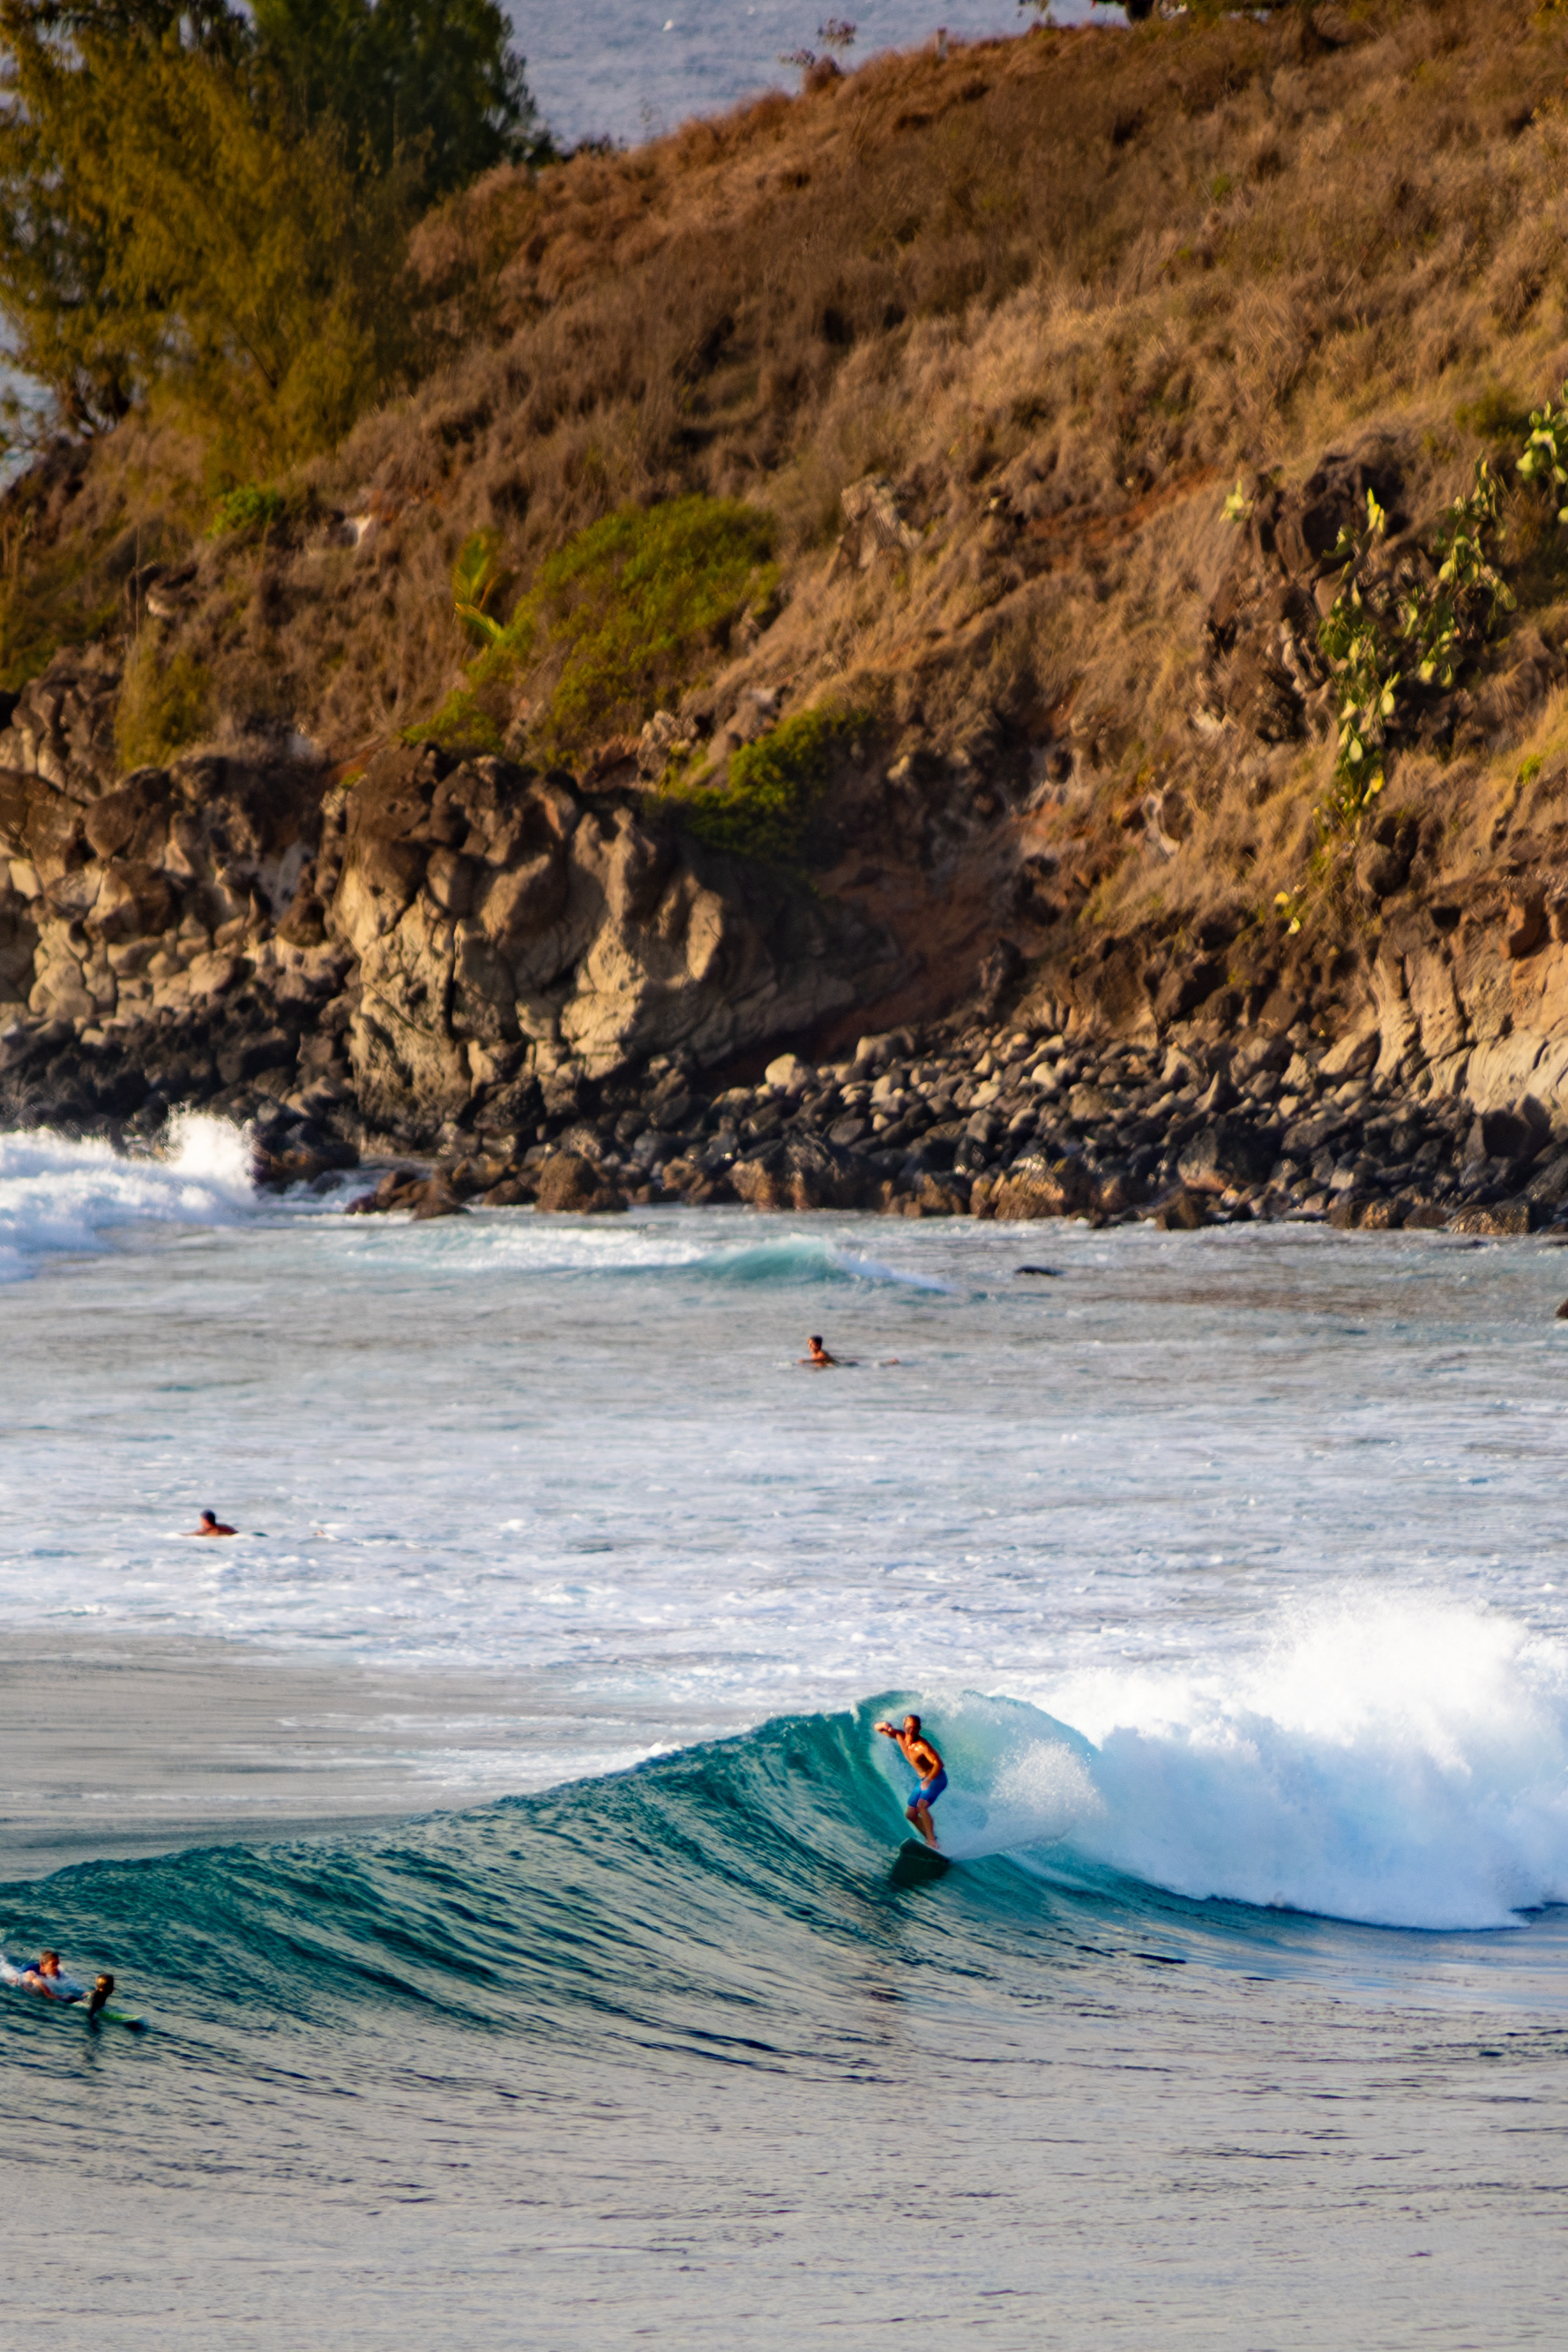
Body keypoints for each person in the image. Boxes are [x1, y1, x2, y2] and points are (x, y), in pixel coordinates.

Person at [876, 1712, 947, 1849]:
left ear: (919, 1729)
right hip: (924, 1779)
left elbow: (939, 1764)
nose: (911, 1730)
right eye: (909, 1727)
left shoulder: (922, 1746)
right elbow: (877, 1728)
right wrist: (883, 1724)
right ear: (904, 1726)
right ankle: (931, 1838)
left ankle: (932, 1841)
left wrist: (929, 1780)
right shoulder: (900, 1736)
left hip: (936, 1778)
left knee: (921, 1805)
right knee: (911, 1814)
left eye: (914, 1728)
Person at [19, 1951, 84, 2002]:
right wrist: (48, 1993)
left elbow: (70, 1985)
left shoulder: (58, 1973)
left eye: (57, 1964)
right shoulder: (32, 1969)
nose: (56, 1967)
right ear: (43, 1965)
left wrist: (83, 1993)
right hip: (22, 1980)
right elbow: (32, 1979)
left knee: (71, 1997)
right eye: (53, 1964)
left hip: (49, 1991)